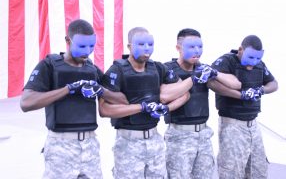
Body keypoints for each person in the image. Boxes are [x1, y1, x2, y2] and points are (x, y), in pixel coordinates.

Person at [20, 19, 128, 179]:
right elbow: (26, 102)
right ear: (67, 41)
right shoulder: (49, 66)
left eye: (92, 46)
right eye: (82, 46)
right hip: (60, 146)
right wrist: (68, 89)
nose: (88, 51)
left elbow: (122, 99)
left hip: (90, 144)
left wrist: (100, 90)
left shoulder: (91, 69)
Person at [98, 27, 206, 179]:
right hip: (128, 142)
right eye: (141, 44)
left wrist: (166, 108)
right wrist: (140, 107)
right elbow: (104, 109)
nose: (147, 48)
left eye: (150, 44)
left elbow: (184, 93)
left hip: (154, 140)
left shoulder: (158, 68)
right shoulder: (117, 70)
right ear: (129, 46)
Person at [163, 28, 241, 179]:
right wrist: (191, 79)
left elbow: (236, 84)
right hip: (180, 136)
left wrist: (215, 73)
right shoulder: (167, 70)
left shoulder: (203, 69)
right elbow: (164, 96)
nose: (197, 51)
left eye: (200, 46)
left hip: (203, 136)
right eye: (191, 47)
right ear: (178, 48)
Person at [208, 35, 278, 179]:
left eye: (257, 58)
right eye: (250, 57)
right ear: (240, 50)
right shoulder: (226, 61)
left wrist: (261, 90)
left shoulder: (259, 64)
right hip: (232, 125)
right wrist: (241, 95)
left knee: (258, 170)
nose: (253, 62)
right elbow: (211, 83)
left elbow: (274, 84)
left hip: (253, 125)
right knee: (232, 172)